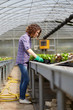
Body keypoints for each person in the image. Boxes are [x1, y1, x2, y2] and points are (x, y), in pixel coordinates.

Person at [16, 24, 44, 104]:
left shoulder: (28, 37)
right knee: (26, 79)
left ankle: (22, 97)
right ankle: (22, 98)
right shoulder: (25, 37)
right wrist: (36, 57)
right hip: (22, 61)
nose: (37, 34)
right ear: (33, 30)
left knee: (23, 80)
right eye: (37, 32)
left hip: (24, 61)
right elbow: (27, 48)